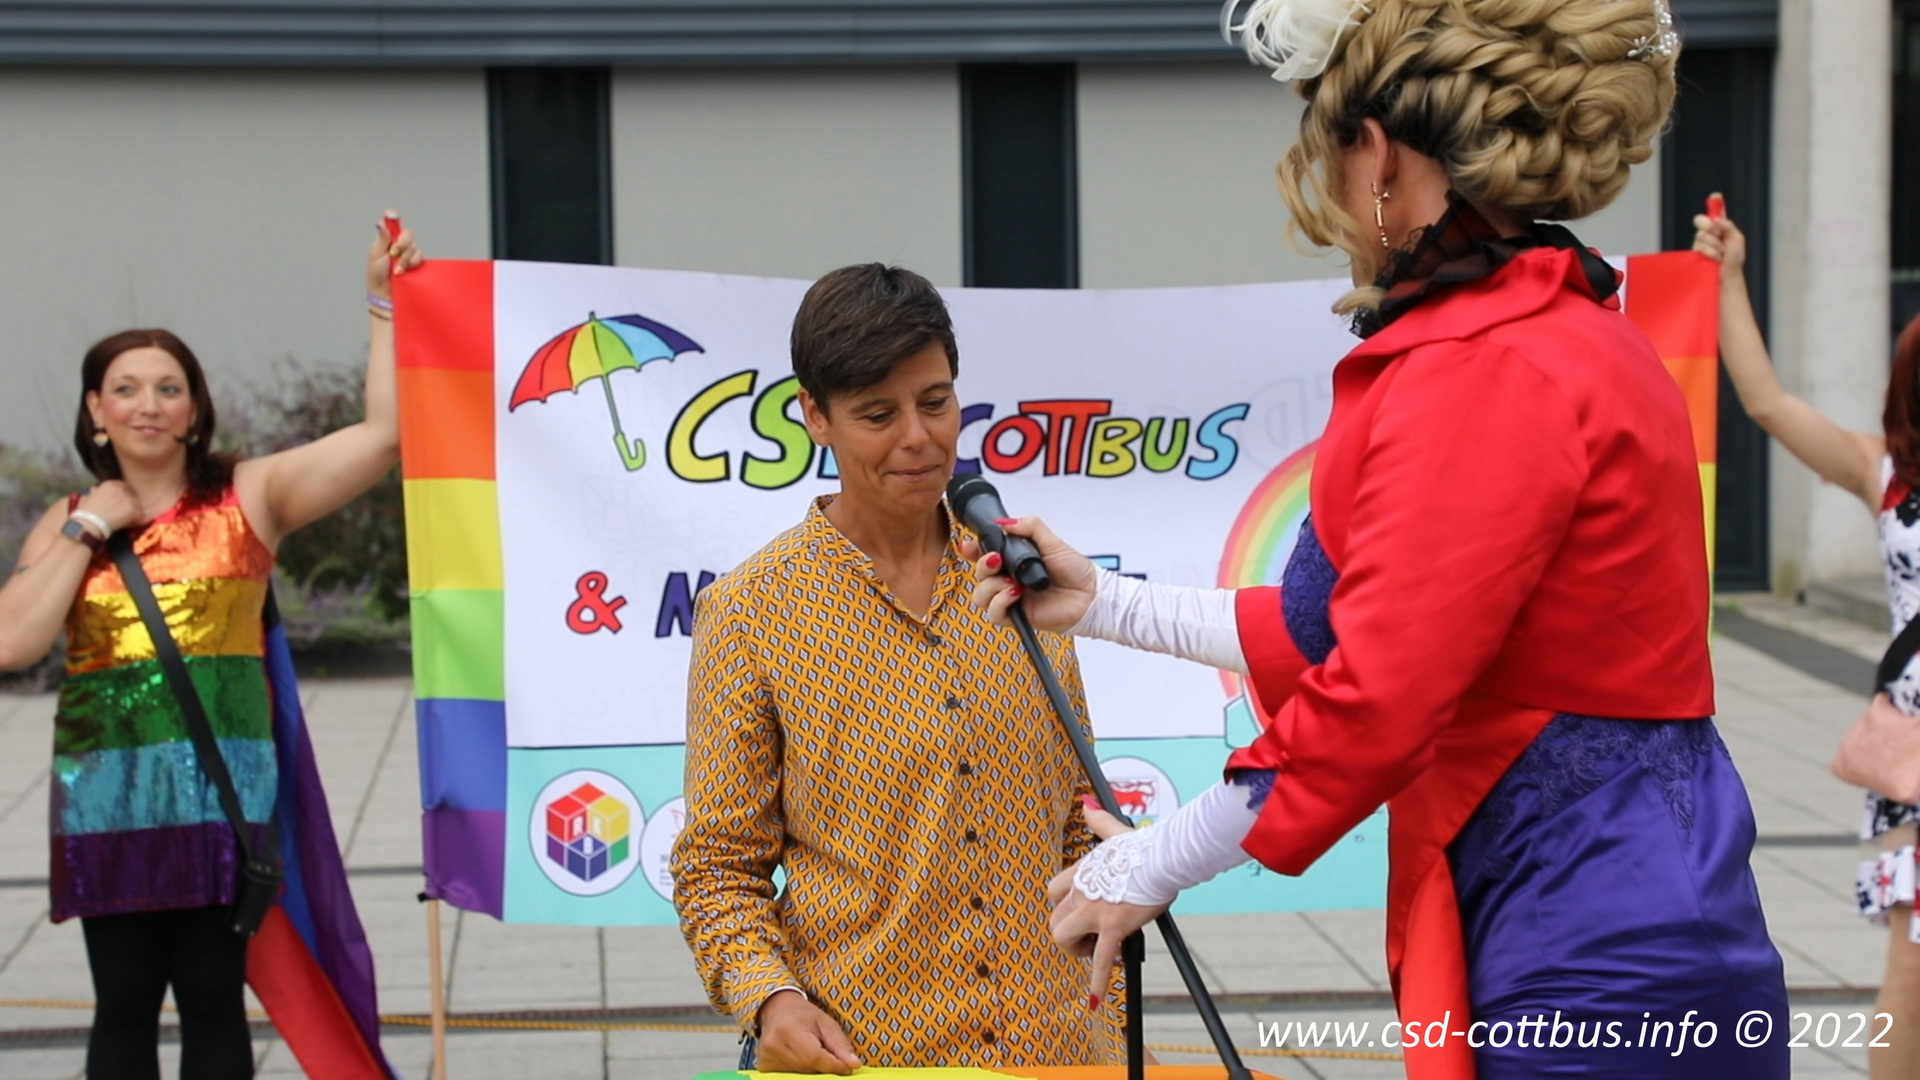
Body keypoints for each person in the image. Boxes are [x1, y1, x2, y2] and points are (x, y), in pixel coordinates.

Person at [963, 2, 1790, 1077]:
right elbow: (1343, 627)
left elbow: (1377, 694)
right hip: (1612, 894)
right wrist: (1106, 603)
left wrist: (1153, 861)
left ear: (1379, 152)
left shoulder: (1486, 363)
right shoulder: (1560, 330)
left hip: (1587, 933)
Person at [670, 263, 1123, 1074]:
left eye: (936, 402)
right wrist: (771, 998)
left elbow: (1076, 824)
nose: (918, 437)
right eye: (879, 414)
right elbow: (717, 867)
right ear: (816, 416)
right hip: (869, 1056)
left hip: (1057, 1051)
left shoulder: (1019, 577)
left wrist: (1110, 1018)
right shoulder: (751, 612)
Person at [0, 217, 423, 1079]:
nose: (148, 404)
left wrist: (383, 304)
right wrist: (88, 528)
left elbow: (383, 436)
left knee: (212, 1003)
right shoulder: (66, 521)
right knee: (122, 1008)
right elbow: (13, 642)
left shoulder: (248, 496)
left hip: (221, 800)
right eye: (125, 388)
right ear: (96, 410)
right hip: (106, 803)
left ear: (194, 409)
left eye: (169, 387)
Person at [1695, 204, 1920, 1079]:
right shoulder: (1885, 474)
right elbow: (1768, 402)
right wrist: (1728, 279)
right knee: (1912, 965)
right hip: (1914, 757)